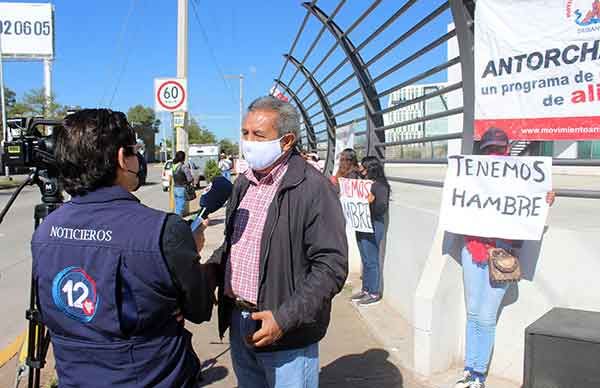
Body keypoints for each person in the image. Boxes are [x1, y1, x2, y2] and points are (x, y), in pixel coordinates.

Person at [31, 109, 216, 387]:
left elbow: (50, 309)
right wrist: (198, 257)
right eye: (134, 151)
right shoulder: (164, 230)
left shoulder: (46, 228)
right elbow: (199, 310)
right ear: (121, 158)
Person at [208, 96, 348, 388]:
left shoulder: (313, 188)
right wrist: (207, 273)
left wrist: (284, 319)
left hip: (286, 334)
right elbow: (233, 245)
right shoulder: (243, 182)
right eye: (245, 133)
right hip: (240, 321)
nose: (248, 142)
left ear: (286, 141)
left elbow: (331, 266)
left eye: (258, 135)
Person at [455, 128, 555, 388]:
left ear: (508, 149)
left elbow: (529, 210)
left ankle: (479, 373)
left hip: (503, 255)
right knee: (473, 313)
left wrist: (544, 201)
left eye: (498, 149)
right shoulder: (473, 175)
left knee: (486, 317)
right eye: (489, 149)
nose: (494, 154)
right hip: (473, 248)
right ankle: (468, 368)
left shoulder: (521, 177)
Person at [351, 156, 390, 306]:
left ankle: (374, 292)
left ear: (371, 168)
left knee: (371, 259)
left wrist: (372, 202)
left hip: (373, 225)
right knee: (365, 258)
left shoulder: (380, 187)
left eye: (364, 166)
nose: (361, 168)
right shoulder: (363, 183)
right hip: (361, 224)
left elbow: (381, 209)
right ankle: (365, 289)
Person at [172, 150, 193, 215]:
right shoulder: (184, 166)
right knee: (180, 208)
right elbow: (189, 179)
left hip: (175, 188)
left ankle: (175, 220)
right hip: (182, 188)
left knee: (177, 206)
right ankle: (177, 222)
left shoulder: (174, 166)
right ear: (183, 158)